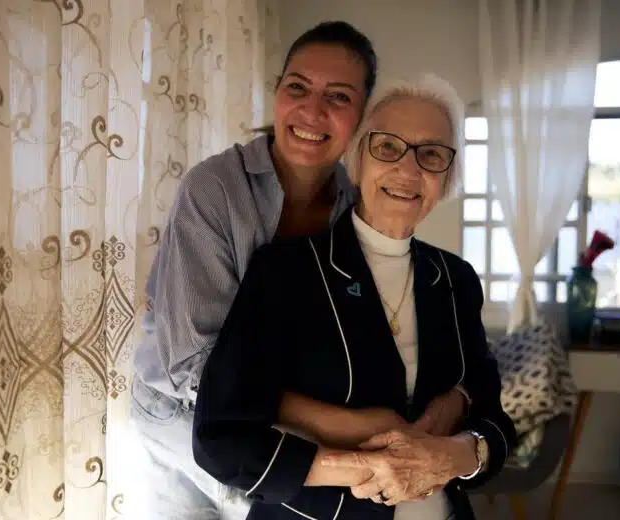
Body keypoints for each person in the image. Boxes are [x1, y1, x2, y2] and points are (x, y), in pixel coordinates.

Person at [192, 74, 518, 520]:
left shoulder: (455, 280)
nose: (409, 169)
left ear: (448, 177)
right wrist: (365, 466)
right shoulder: (285, 272)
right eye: (387, 147)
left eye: (432, 155)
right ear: (357, 158)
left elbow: (495, 422)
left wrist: (450, 457)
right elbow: (220, 438)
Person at [129, 20, 402, 520]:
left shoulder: (354, 205)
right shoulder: (213, 190)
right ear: (277, 92)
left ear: (363, 115)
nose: (312, 110)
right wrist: (340, 425)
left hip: (275, 422)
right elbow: (193, 362)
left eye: (338, 97)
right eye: (297, 87)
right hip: (183, 414)